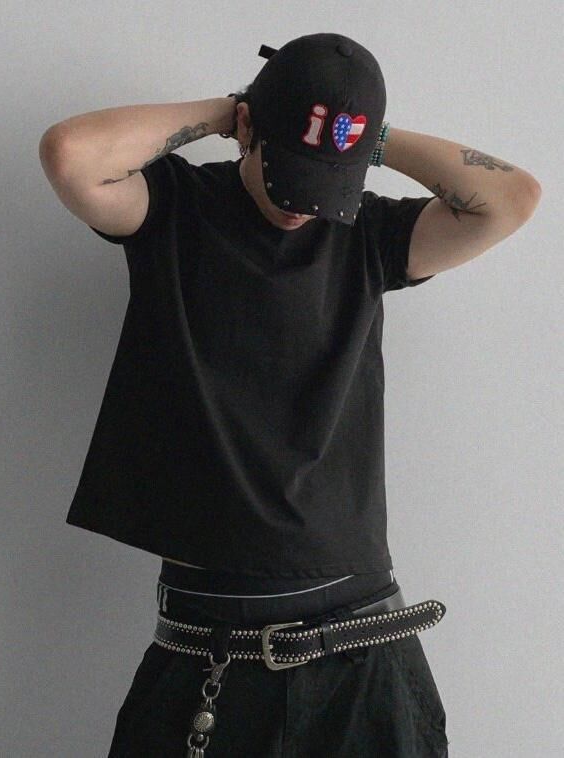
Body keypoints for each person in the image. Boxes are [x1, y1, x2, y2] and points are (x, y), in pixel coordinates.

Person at [39, 30, 540, 758]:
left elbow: (512, 200)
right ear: (250, 129)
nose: (308, 205)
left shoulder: (368, 234)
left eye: (330, 182)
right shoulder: (173, 207)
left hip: (362, 651)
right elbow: (69, 155)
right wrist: (237, 111)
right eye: (293, 176)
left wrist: (363, 139)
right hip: (206, 651)